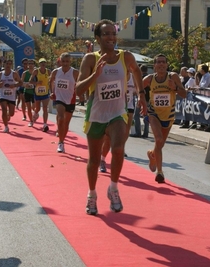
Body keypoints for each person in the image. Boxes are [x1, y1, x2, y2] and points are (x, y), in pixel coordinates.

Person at [76, 19, 147, 215]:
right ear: (97, 38)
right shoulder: (90, 59)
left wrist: (141, 95)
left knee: (117, 150)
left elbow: (137, 71)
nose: (111, 37)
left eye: (113, 33)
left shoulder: (126, 57)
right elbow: (79, 89)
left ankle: (113, 188)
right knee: (93, 160)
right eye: (106, 34)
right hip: (96, 114)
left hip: (117, 113)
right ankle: (92, 194)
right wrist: (95, 75)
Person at [144, 54, 187, 183]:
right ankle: (160, 172)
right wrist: (143, 104)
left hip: (168, 115)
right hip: (153, 113)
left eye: (164, 62)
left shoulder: (173, 77)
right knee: (158, 139)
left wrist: (175, 88)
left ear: (167, 65)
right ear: (154, 66)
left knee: (160, 144)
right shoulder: (149, 79)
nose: (161, 64)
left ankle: (152, 155)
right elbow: (139, 90)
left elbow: (184, 94)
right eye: (159, 62)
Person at [49, 52, 79, 153]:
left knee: (66, 123)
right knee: (61, 118)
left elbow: (80, 83)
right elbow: (51, 81)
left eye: (67, 61)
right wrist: (52, 92)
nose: (65, 63)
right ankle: (60, 143)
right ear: (60, 61)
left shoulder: (75, 72)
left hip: (71, 99)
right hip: (59, 98)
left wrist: (81, 93)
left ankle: (62, 138)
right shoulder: (56, 72)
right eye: (63, 61)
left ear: (70, 62)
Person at [0, 59, 22, 133]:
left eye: (9, 64)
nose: (8, 65)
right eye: (6, 64)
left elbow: (20, 83)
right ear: (4, 65)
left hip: (11, 96)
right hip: (3, 95)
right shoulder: (1, 74)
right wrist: (0, 85)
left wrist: (14, 85)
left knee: (12, 113)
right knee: (3, 110)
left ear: (11, 65)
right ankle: (6, 127)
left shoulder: (14, 74)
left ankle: (8, 113)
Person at [29, 58, 51, 132]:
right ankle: (33, 118)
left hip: (45, 93)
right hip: (37, 93)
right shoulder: (36, 71)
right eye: (41, 63)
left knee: (45, 108)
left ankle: (45, 124)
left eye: (44, 62)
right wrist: (36, 83)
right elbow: (30, 81)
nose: (43, 64)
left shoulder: (48, 71)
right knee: (37, 109)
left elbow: (51, 81)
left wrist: (52, 90)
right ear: (39, 64)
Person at [131, 64, 149, 138]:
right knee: (146, 115)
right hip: (148, 98)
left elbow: (138, 88)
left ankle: (138, 132)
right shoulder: (149, 78)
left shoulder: (140, 78)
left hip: (140, 98)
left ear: (140, 70)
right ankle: (146, 133)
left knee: (136, 115)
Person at [21, 59, 36, 127]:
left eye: (32, 63)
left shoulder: (36, 72)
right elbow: (21, 83)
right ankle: (31, 121)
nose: (30, 65)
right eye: (29, 63)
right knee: (29, 108)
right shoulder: (25, 73)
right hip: (27, 92)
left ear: (34, 65)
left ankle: (35, 115)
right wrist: (25, 84)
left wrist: (35, 84)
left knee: (34, 107)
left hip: (35, 92)